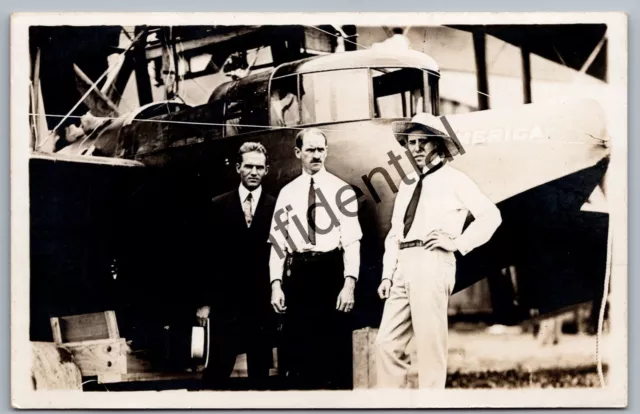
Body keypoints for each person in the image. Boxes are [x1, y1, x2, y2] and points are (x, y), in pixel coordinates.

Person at [374, 113, 502, 388]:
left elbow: (491, 216)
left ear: (438, 145)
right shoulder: (408, 184)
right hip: (403, 265)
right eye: (411, 143)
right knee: (386, 343)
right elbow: (396, 232)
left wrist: (457, 244)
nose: (416, 149)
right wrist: (387, 275)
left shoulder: (456, 180)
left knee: (430, 347)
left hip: (432, 262)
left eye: (424, 142)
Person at [268, 128, 362, 390]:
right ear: (298, 153)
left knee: (335, 351)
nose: (316, 155)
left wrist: (349, 284)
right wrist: (276, 285)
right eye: (310, 149)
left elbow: (352, 242)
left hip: (331, 272)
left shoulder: (341, 190)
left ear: (327, 151)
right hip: (298, 275)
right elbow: (277, 244)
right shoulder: (287, 193)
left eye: (321, 149)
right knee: (298, 351)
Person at [199, 141, 277, 390]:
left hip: (261, 304)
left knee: (260, 374)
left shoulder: (276, 207)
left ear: (266, 170)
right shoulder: (218, 205)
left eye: (259, 167)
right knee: (216, 373)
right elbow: (205, 257)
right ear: (237, 168)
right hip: (226, 304)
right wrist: (204, 302)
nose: (254, 172)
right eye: (249, 166)